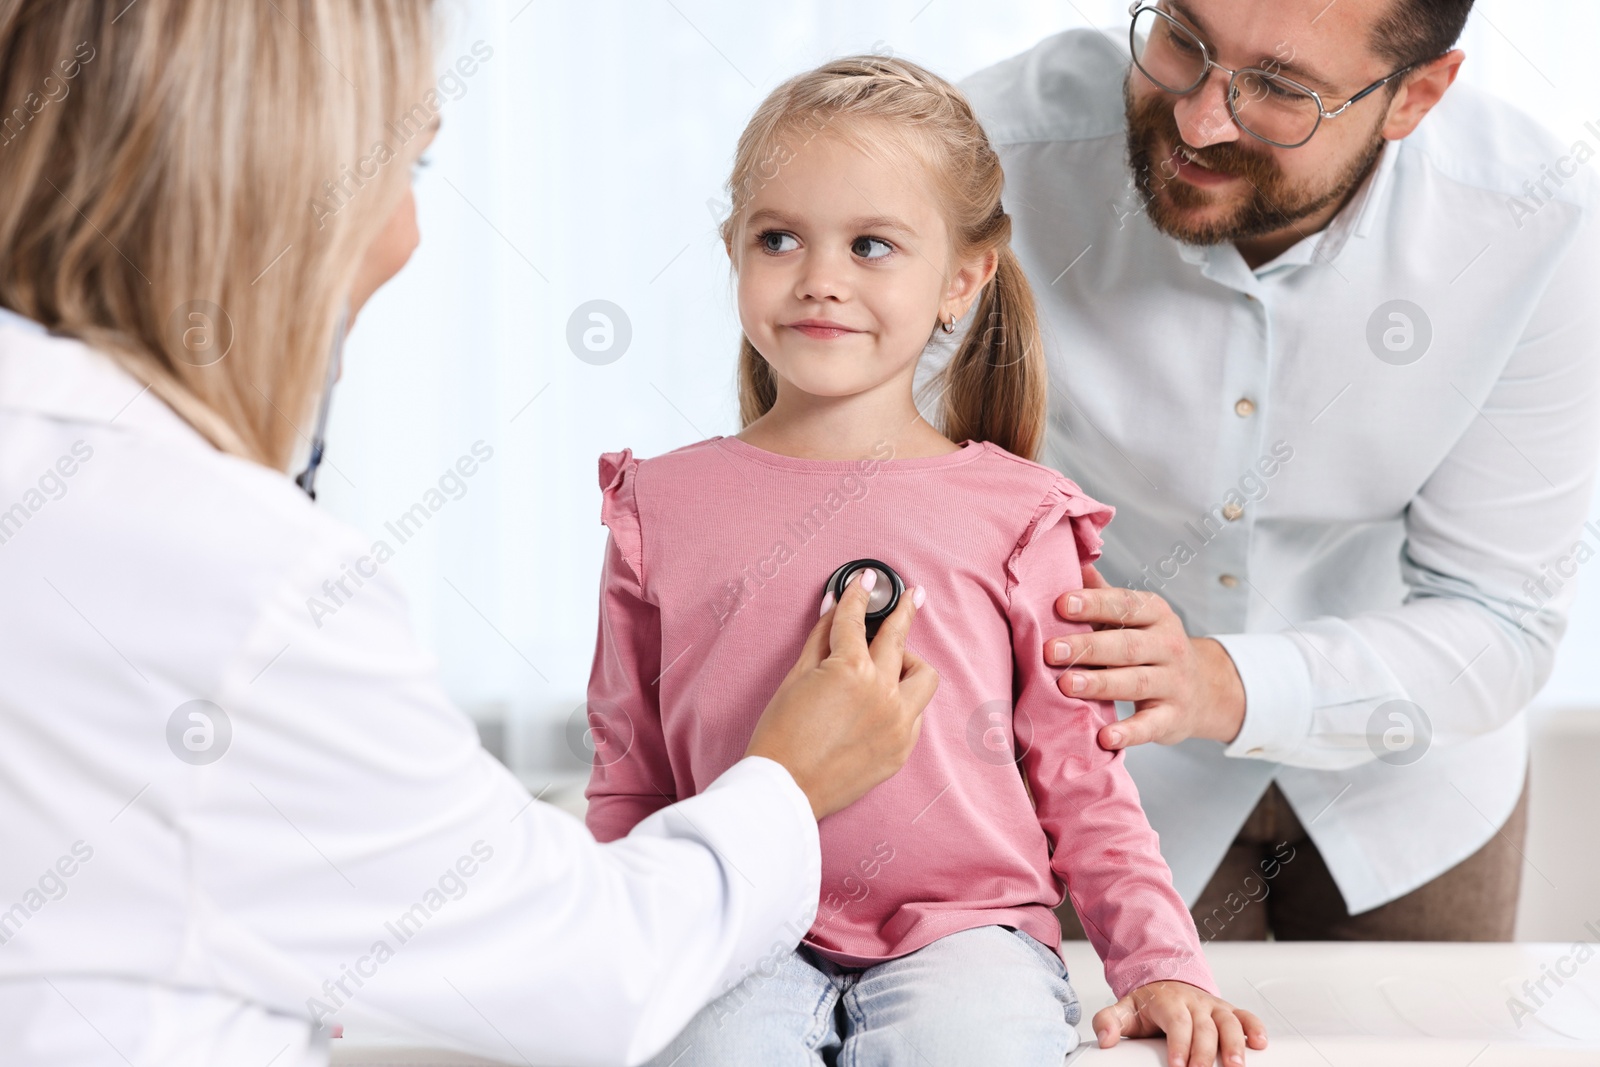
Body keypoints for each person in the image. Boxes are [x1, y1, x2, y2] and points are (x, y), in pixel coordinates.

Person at [0, 4, 937, 1065]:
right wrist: (788, 779)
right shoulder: (233, 579)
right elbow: (590, 972)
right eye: (413, 166)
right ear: (280, 184)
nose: (407, 235)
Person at [580, 56, 1268, 1067]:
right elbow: (628, 775)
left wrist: (1159, 961)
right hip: (732, 919)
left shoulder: (1021, 515)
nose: (821, 277)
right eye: (779, 238)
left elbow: (1080, 779)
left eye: (870, 245)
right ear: (733, 250)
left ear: (962, 278)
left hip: (967, 928)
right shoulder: (659, 507)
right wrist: (607, 954)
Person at [954, 0, 1600, 946]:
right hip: (1095, 770)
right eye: (1183, 37)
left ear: (1416, 96)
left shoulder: (1539, 229)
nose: (1200, 119)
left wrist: (1217, 684)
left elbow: (1497, 616)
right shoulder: (985, 159)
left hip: (1411, 783)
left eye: (1282, 89)